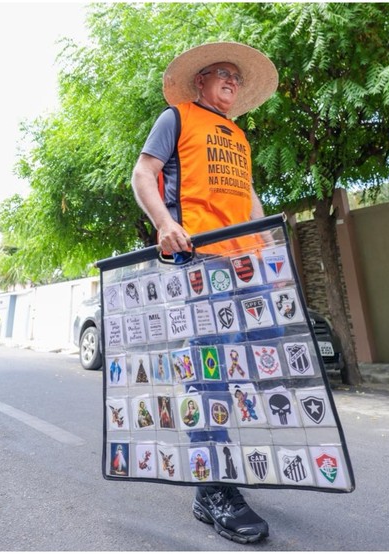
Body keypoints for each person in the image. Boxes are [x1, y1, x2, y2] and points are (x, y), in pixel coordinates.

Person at [131, 41, 279, 544]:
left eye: (237, 78)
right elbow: (143, 174)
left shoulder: (237, 136)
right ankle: (213, 488)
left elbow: (249, 200)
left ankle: (219, 470)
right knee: (207, 375)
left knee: (240, 376)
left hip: (243, 267)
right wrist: (165, 223)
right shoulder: (176, 118)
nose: (231, 82)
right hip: (199, 262)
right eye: (222, 74)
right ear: (200, 82)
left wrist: (268, 250)